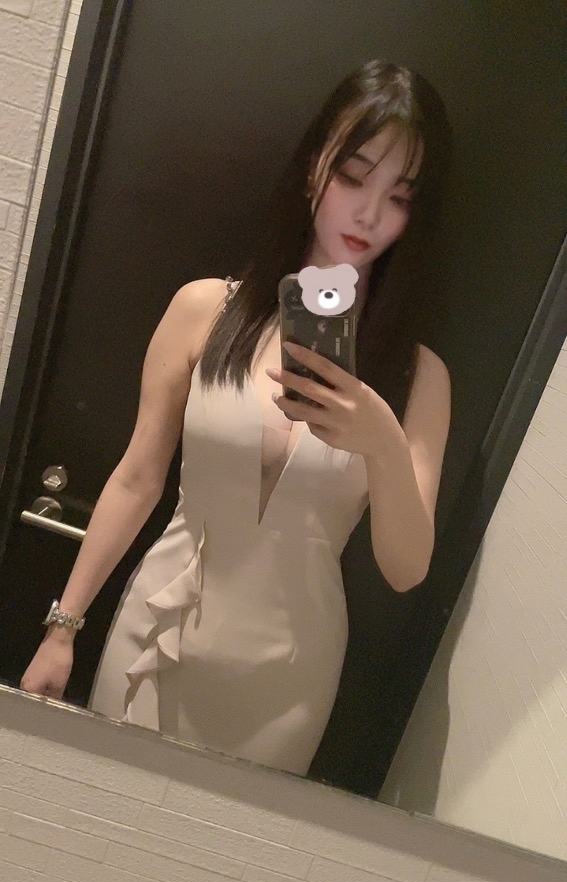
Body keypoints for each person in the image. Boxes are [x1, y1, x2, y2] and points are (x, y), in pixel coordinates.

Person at [20, 59, 453, 777]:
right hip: (157, 632)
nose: (369, 214)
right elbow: (136, 479)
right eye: (354, 176)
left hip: (289, 681)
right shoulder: (203, 310)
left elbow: (405, 570)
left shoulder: (418, 378)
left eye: (398, 195)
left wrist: (380, 439)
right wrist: (62, 628)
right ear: (314, 167)